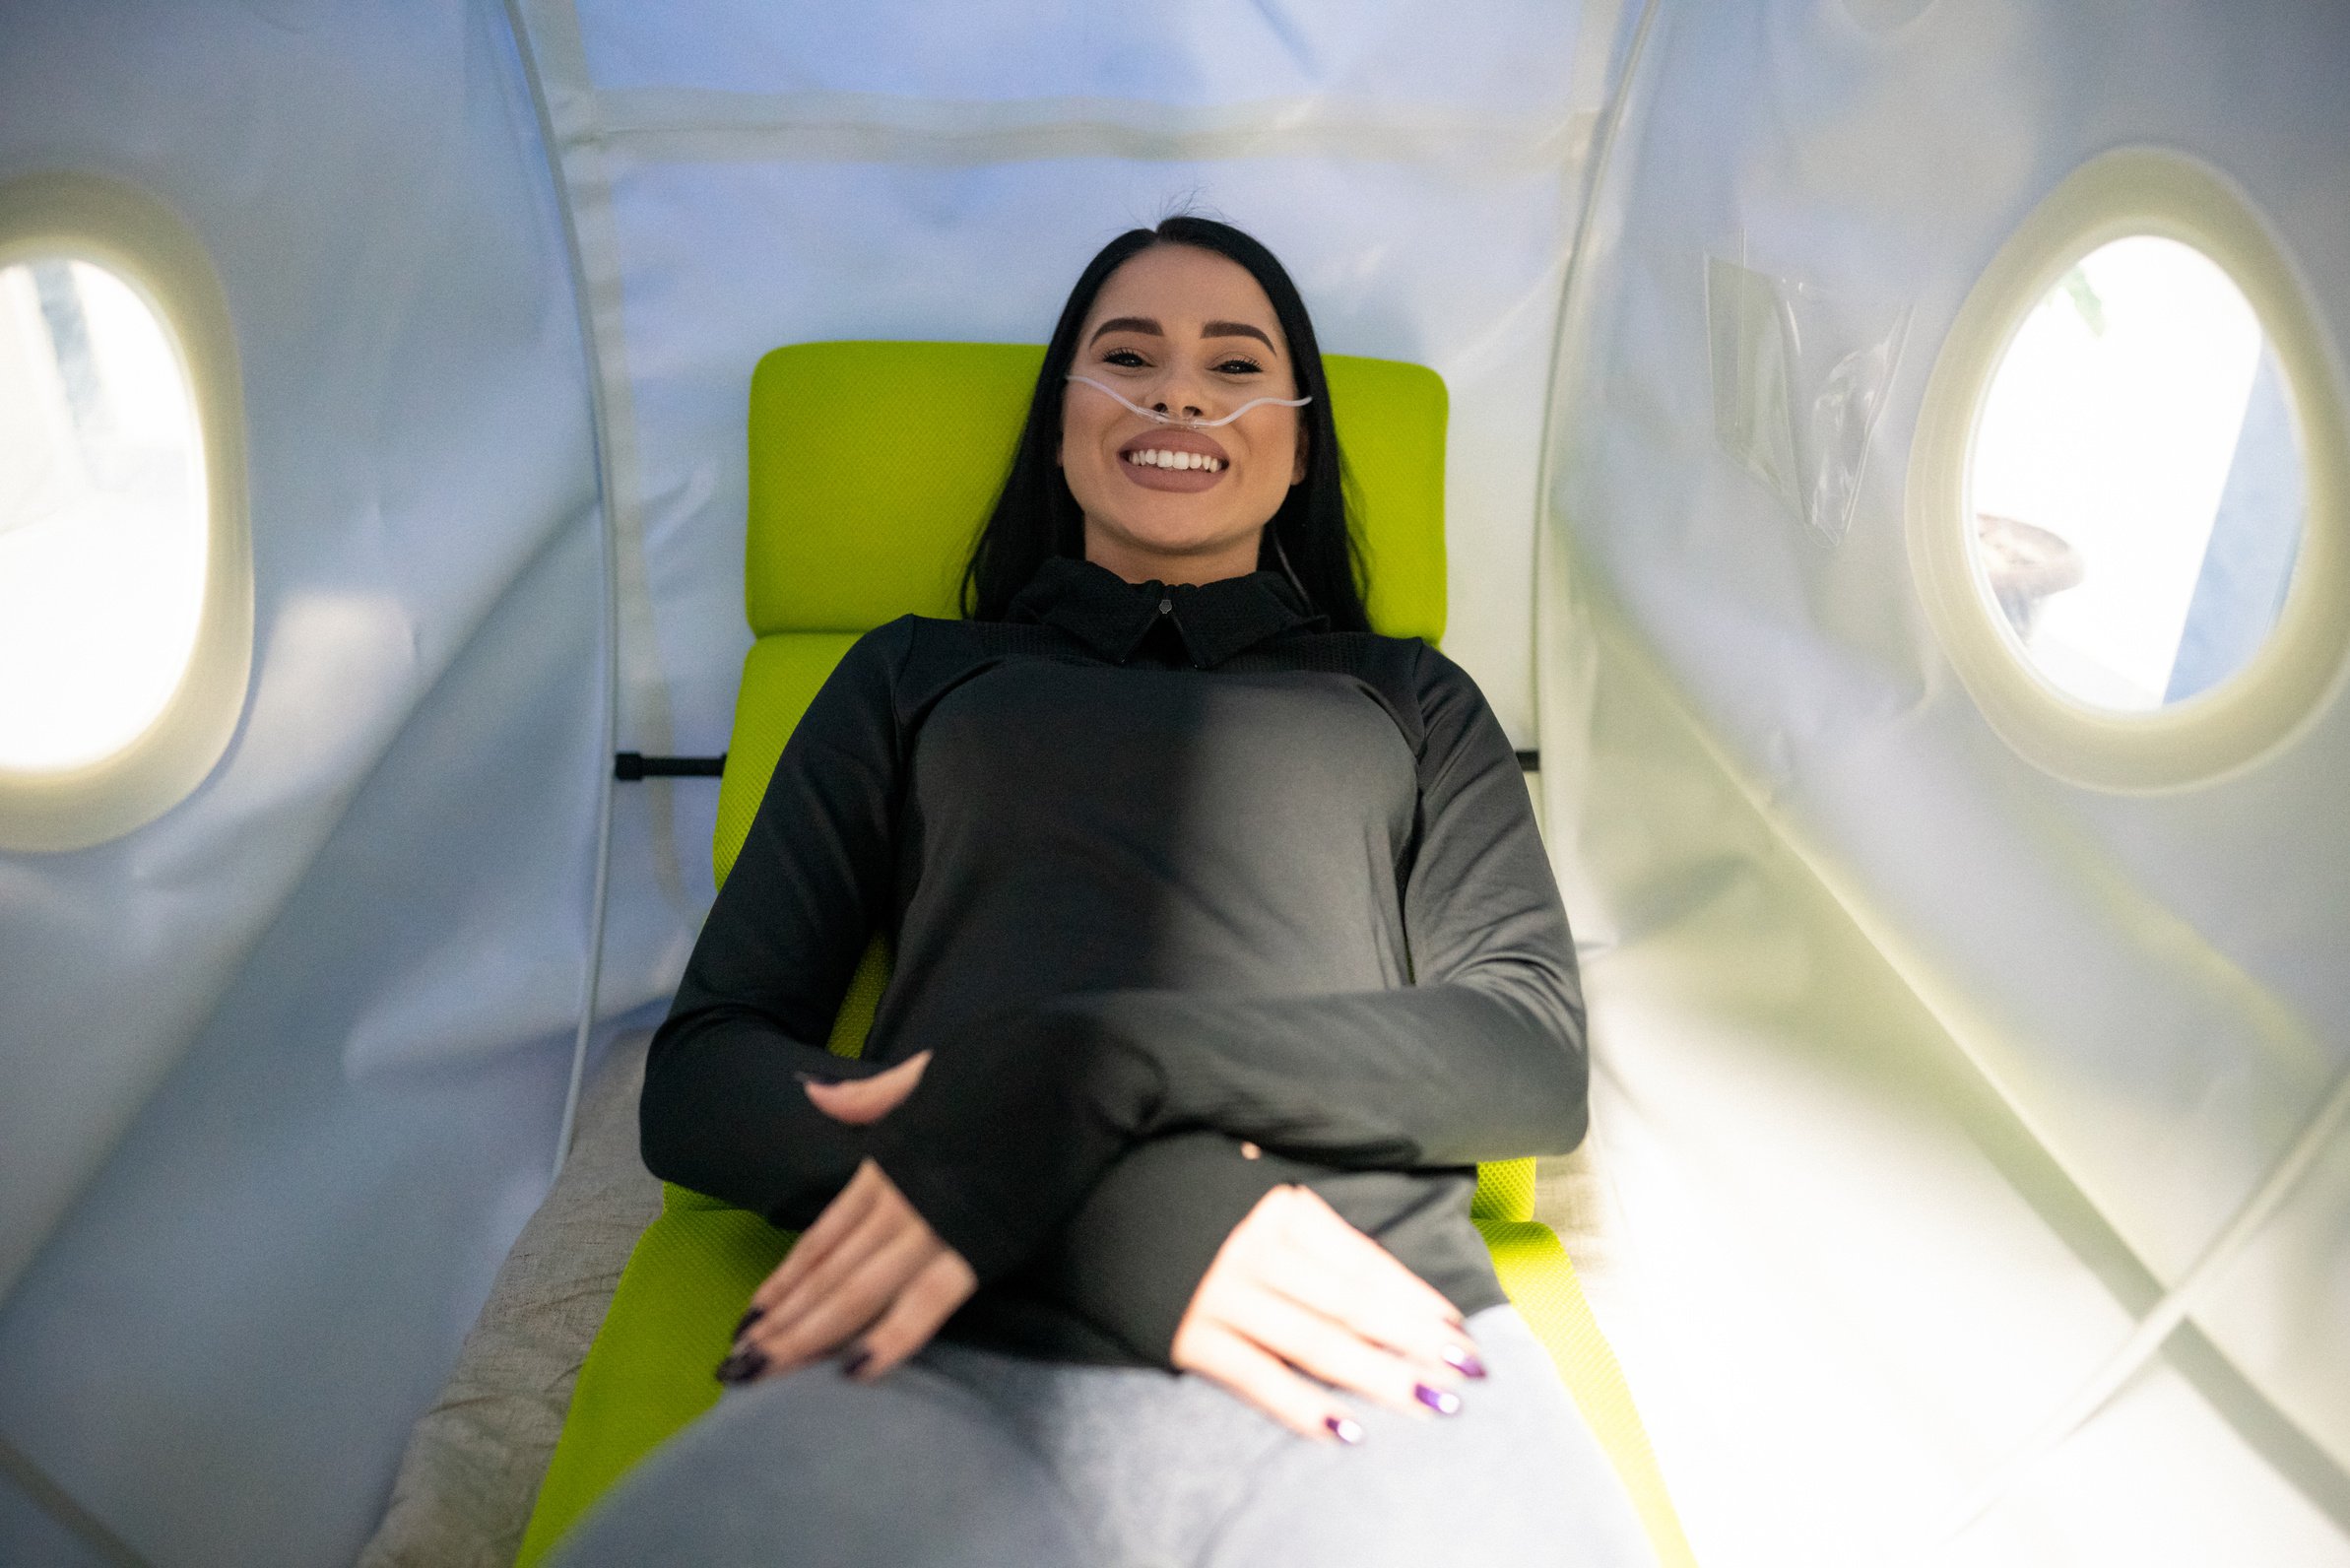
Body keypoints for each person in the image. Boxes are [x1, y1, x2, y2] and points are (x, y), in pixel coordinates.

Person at [554, 217, 1654, 1567]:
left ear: (1298, 441)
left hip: (1359, 1320)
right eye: (1125, 358)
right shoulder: (915, 676)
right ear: (1062, 424)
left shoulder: (1409, 697)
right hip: (940, 1316)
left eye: (1232, 366)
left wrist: (1090, 1065)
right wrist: (1049, 1192)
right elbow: (704, 1077)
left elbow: (1526, 1058)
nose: (1177, 393)